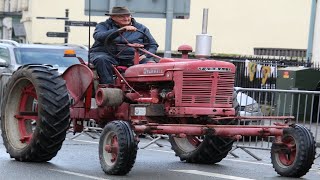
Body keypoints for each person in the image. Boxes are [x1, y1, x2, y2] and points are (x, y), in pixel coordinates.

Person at [89, 6, 159, 85]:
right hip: (108, 55)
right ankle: (108, 86)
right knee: (101, 59)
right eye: (121, 16)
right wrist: (120, 30)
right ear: (112, 17)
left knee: (151, 65)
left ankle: (147, 88)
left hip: (132, 58)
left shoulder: (141, 28)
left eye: (128, 16)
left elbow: (153, 45)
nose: (126, 19)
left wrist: (145, 55)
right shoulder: (103, 26)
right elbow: (99, 36)